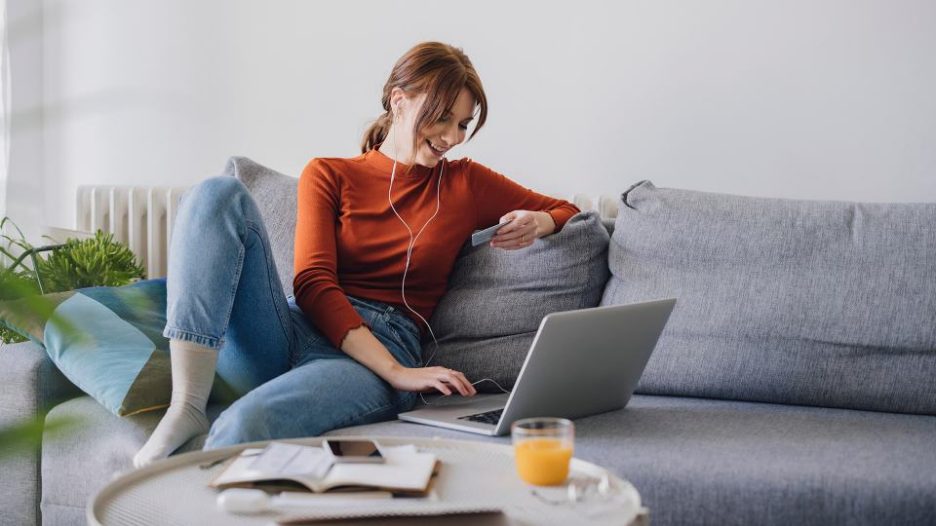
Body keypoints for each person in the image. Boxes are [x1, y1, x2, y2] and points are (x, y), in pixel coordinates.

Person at [133, 41, 580, 468]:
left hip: (380, 347)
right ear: (398, 101)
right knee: (217, 193)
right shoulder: (329, 174)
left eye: (463, 124)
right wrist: (397, 372)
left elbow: (567, 209)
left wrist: (540, 222)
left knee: (244, 426)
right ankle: (187, 404)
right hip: (293, 328)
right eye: (442, 117)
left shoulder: (466, 183)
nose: (452, 137)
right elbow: (312, 284)